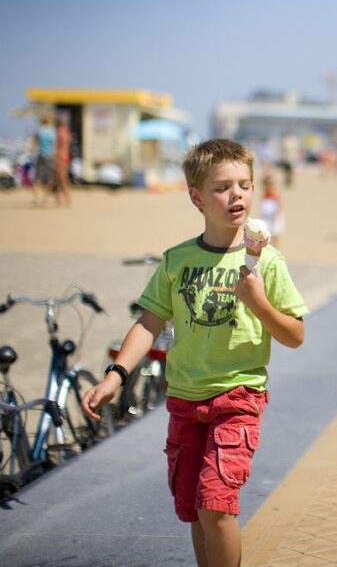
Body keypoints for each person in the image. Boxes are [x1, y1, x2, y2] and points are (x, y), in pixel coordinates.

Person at [82, 138, 308, 567]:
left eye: (245, 185)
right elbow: (148, 323)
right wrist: (115, 376)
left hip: (238, 397)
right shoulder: (177, 260)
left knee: (216, 505)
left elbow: (295, 334)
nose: (237, 195)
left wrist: (259, 303)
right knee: (194, 508)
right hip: (184, 399)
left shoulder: (268, 262)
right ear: (196, 197)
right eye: (222, 187)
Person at [31, 113, 57, 207]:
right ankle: (45, 198)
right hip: (50, 156)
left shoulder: (39, 130)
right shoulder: (53, 131)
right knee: (50, 179)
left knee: (37, 178)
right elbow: (55, 145)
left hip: (41, 155)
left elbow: (34, 142)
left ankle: (37, 198)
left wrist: (34, 152)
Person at [259, 173, 285, 247]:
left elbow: (279, 205)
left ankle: (276, 248)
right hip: (266, 216)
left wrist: (277, 215)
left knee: (275, 235)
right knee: (266, 235)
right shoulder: (265, 194)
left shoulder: (275, 194)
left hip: (274, 217)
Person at [54, 112, 72, 207]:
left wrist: (55, 158)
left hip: (60, 157)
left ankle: (66, 197)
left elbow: (58, 147)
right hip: (66, 156)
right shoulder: (67, 131)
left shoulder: (59, 132)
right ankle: (60, 197)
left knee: (61, 179)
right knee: (62, 179)